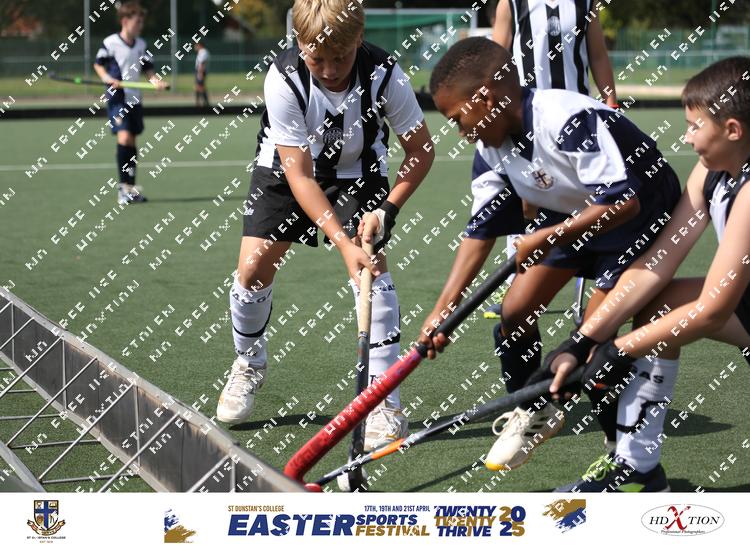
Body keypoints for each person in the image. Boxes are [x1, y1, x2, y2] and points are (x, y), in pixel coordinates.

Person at [421, 37, 680, 472]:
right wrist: (442, 311)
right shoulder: (490, 148)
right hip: (572, 215)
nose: (462, 133)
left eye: (458, 119)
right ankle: (534, 410)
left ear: (485, 99)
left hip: (639, 217)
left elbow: (624, 202)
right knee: (514, 313)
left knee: (593, 341)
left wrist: (548, 236)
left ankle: (621, 457)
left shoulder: (565, 118)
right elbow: (480, 232)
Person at [216, 0, 434, 453]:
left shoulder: (386, 74)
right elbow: (299, 176)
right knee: (252, 269)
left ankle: (384, 401)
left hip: (359, 173)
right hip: (286, 172)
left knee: (371, 271)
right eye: (318, 59)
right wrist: (341, 242)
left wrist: (387, 209)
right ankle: (249, 362)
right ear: (299, 43)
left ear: (360, 39)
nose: (331, 70)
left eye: (342, 57)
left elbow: (421, 150)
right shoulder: (283, 77)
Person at [545, 56, 750, 492]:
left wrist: (619, 350)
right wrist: (584, 340)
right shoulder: (712, 172)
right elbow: (659, 262)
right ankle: (638, 468)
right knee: (657, 307)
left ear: (732, 130)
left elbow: (713, 309)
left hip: (734, 305)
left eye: (695, 126)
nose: (686, 137)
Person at [485, 0, 618, 318]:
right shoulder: (512, 3)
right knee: (526, 200)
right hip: (525, 118)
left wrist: (610, 101)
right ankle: (516, 285)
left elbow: (598, 55)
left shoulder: (586, 3)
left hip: (575, 118)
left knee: (590, 199)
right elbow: (495, 58)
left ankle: (602, 285)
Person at [93, 1, 168, 205]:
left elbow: (149, 70)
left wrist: (156, 81)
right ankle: (122, 189)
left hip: (135, 99)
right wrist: (107, 78)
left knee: (132, 142)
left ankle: (131, 188)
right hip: (117, 99)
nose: (140, 26)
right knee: (124, 137)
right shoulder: (110, 43)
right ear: (125, 21)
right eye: (137, 22)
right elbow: (98, 65)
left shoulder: (141, 45)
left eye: (142, 22)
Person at [195, 41, 210, 107]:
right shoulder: (201, 52)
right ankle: (198, 102)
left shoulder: (203, 52)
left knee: (200, 86)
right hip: (199, 71)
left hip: (201, 71)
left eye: (196, 45)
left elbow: (202, 63)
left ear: (199, 45)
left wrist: (200, 73)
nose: (195, 47)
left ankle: (205, 102)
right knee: (198, 86)